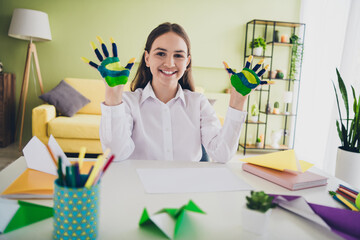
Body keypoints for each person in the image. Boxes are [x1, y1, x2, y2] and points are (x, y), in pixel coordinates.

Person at [86, 22, 263, 163]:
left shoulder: (198, 103)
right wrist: (112, 95)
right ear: (147, 58)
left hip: (187, 192)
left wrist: (237, 101)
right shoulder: (128, 102)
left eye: (178, 55)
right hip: (139, 189)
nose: (170, 63)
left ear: (187, 62)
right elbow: (115, 155)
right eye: (160, 54)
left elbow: (222, 154)